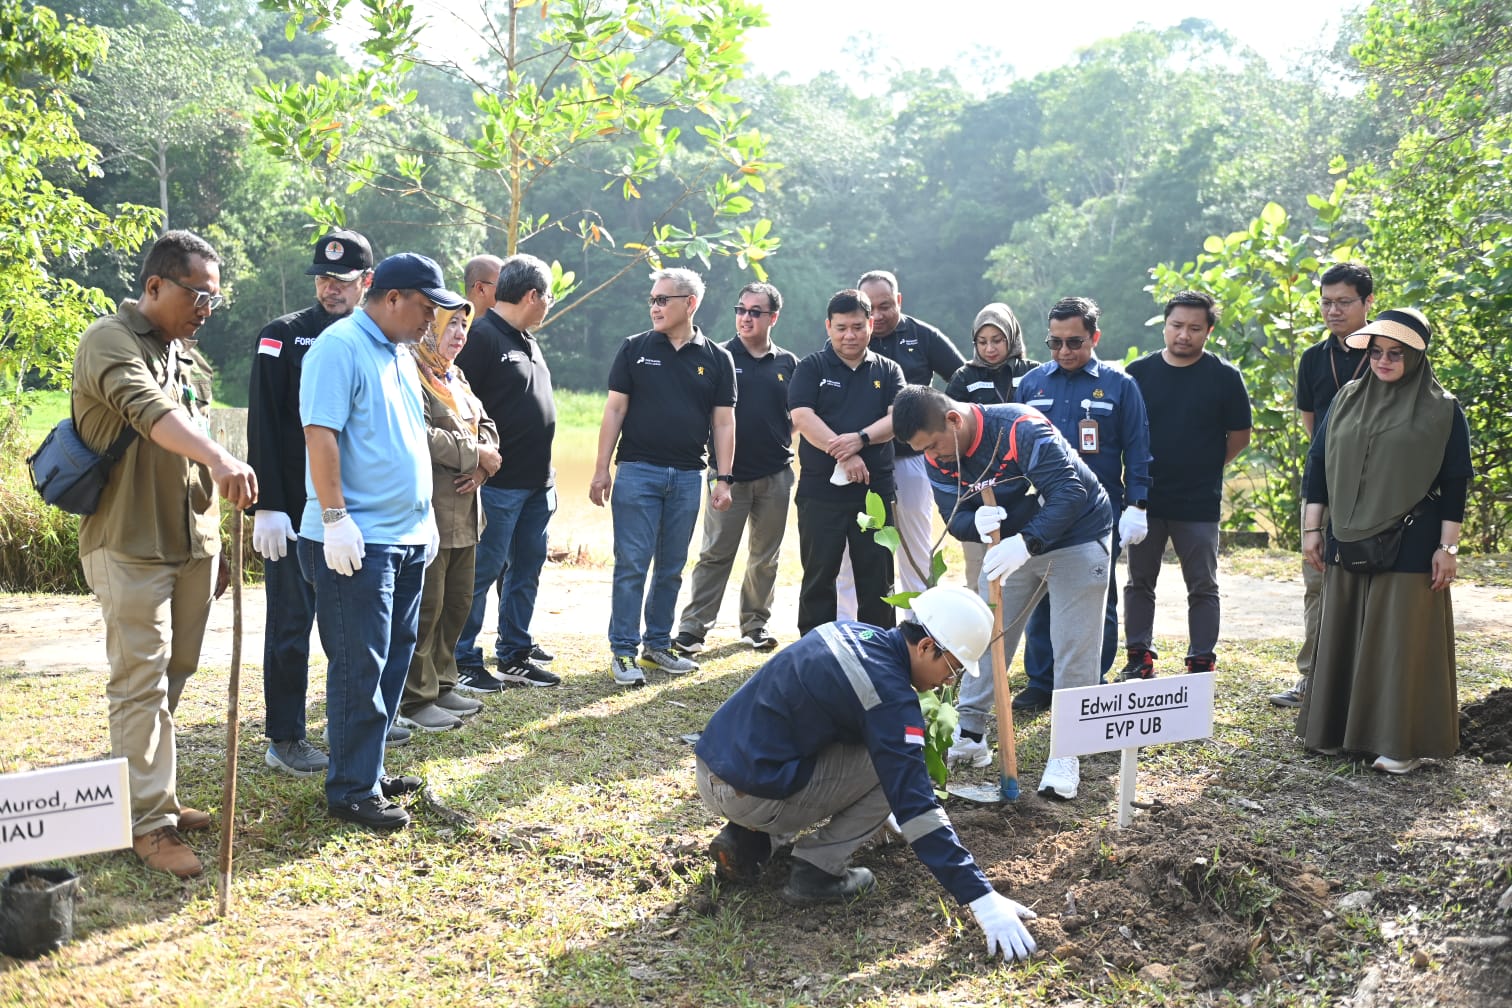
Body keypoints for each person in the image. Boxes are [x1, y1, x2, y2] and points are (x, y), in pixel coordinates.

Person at [694, 585, 1039, 961]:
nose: (948, 681)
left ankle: (750, 841)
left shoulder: (849, 632)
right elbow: (917, 806)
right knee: (892, 766)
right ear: (925, 647)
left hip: (715, 764)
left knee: (854, 744)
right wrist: (981, 898)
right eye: (952, 668)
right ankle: (817, 870)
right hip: (750, 792)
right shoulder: (890, 697)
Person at [72, 230, 258, 877]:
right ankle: (148, 824)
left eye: (214, 298)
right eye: (197, 294)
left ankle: (152, 794)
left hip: (191, 547)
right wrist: (219, 455)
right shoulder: (109, 342)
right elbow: (147, 410)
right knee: (141, 683)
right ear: (155, 286)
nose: (206, 308)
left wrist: (220, 545)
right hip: (130, 546)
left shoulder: (190, 358)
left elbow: (203, 439)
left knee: (175, 670)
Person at [297, 252, 463, 831]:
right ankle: (349, 790)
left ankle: (368, 768)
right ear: (391, 298)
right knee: (359, 667)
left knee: (394, 660)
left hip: (407, 536)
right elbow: (321, 435)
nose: (430, 322)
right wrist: (336, 516)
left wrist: (425, 521)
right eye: (425, 308)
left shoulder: (397, 352)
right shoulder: (340, 347)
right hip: (357, 541)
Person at [893, 386, 1112, 801]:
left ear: (953, 420)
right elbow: (952, 515)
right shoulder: (936, 454)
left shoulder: (1020, 429)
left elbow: (1071, 492)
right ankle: (972, 733)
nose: (934, 457)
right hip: (1008, 541)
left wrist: (1026, 543)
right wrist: (974, 522)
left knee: (1074, 646)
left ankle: (1067, 752)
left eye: (935, 445)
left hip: (1079, 534)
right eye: (924, 450)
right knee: (984, 632)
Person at [1298, 309, 1470, 774]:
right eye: (1376, 352)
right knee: (1342, 629)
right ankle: (1335, 732)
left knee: (1398, 638)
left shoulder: (1443, 408)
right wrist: (1312, 529)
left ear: (1416, 357)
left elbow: (1456, 481)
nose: (1383, 360)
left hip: (1412, 538)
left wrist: (1448, 548)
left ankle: (1399, 743)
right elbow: (1318, 466)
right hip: (1346, 534)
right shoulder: (1347, 399)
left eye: (1396, 353)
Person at [248, 228, 376, 777]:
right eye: (324, 279)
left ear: (366, 283)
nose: (331, 289)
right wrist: (268, 505)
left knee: (356, 632)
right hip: (294, 515)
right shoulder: (284, 336)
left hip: (354, 513)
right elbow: (266, 424)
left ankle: (357, 730)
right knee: (289, 627)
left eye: (343, 281)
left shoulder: (376, 340)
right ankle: (286, 736)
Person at [591, 268, 736, 687]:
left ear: (690, 304)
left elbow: (724, 424)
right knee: (633, 564)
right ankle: (623, 651)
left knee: (671, 567)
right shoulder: (634, 349)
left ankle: (657, 645)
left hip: (690, 475)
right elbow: (614, 410)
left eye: (663, 300)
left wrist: (722, 478)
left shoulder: (716, 358)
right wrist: (601, 468)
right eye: (652, 300)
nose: (654, 307)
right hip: (637, 471)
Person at [1007, 296, 1151, 717]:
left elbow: (1138, 450)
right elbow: (1014, 450)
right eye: (1055, 343)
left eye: (1074, 342)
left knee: (1096, 600)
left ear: (1094, 337)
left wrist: (1138, 505)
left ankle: (1091, 683)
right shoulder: (1031, 385)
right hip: (1042, 510)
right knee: (1041, 593)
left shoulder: (1120, 385)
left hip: (1097, 514)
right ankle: (1042, 680)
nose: (1064, 352)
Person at [1123, 292, 1252, 679]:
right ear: (1165, 325)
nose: (1184, 335)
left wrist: (1206, 467)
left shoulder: (1225, 377)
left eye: (1195, 328)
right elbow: (1124, 431)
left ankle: (1201, 660)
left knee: (1202, 584)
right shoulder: (1138, 373)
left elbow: (1240, 435)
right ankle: (1139, 656)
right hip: (1146, 498)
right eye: (1177, 326)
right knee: (1139, 581)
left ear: (1208, 331)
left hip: (1198, 500)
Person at [452, 253, 562, 691]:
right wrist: (477, 457)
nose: (549, 304)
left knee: (526, 569)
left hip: (538, 482)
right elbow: (456, 405)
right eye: (548, 296)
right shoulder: (480, 337)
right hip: (498, 485)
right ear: (532, 295)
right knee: (482, 570)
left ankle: (515, 651)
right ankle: (464, 658)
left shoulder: (526, 338)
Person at [672, 281, 798, 655]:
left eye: (754, 312)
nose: (745, 318)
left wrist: (780, 438)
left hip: (776, 475)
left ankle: (755, 625)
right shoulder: (719, 357)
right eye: (740, 310)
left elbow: (799, 415)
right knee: (715, 554)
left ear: (773, 317)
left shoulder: (789, 364)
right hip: (727, 477)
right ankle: (693, 629)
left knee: (765, 557)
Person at [832, 271, 966, 617]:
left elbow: (963, 378)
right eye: (870, 308)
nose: (877, 315)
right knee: (851, 547)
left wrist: (942, 422)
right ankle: (846, 625)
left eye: (886, 306)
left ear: (899, 301)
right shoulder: (853, 337)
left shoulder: (922, 335)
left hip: (911, 458)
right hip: (859, 459)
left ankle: (920, 625)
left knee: (914, 543)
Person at [1271, 263, 1374, 708]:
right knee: (1318, 581)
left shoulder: (1389, 351)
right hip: (1327, 485)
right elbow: (1315, 430)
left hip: (1381, 489)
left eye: (1344, 302)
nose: (1333, 311)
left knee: (1373, 583)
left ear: (1369, 302)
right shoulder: (1314, 358)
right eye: (1326, 302)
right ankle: (1312, 677)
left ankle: (1367, 680)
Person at [397, 302, 501, 732]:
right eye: (450, 325)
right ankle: (415, 698)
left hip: (467, 512)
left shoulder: (455, 376)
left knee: (456, 605)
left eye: (463, 325)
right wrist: (472, 453)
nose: (458, 334)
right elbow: (417, 432)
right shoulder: (411, 373)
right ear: (429, 329)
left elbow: (488, 425)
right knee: (427, 607)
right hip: (431, 511)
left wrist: (484, 464)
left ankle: (442, 683)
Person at [788, 288, 907, 636]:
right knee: (818, 577)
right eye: (841, 327)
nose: (849, 335)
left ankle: (880, 653)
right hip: (820, 492)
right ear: (828, 326)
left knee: (877, 578)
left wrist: (861, 439)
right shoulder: (811, 367)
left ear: (870, 324)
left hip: (875, 493)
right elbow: (803, 417)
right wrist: (846, 453)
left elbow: (896, 419)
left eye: (857, 326)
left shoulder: (888, 371)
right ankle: (816, 654)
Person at [945, 302, 1039, 599]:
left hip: (1027, 479)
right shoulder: (964, 377)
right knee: (980, 568)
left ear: (1011, 337)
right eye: (982, 342)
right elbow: (951, 426)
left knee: (1028, 566)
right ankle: (982, 634)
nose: (990, 349)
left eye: (997, 340)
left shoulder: (1033, 372)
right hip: (979, 481)